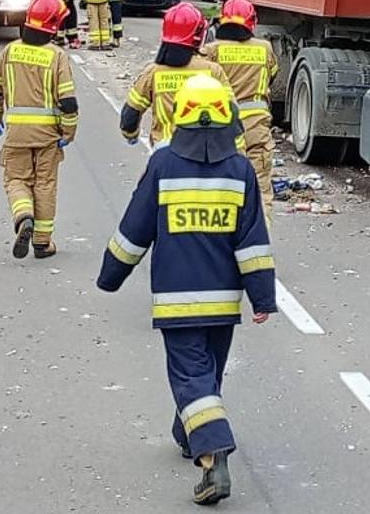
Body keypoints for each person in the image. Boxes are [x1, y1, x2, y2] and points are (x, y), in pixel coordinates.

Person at [96, 72, 277, 505]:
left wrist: (110, 275)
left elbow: (135, 228)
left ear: (181, 117)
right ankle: (188, 433)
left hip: (177, 303)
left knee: (191, 376)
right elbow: (252, 241)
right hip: (223, 303)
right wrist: (263, 297)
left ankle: (214, 453)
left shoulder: (163, 165)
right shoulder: (241, 171)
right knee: (207, 373)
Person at [0, 0, 81, 259]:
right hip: (48, 136)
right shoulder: (56, 56)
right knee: (45, 184)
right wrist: (68, 133)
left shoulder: (9, 51)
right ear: (54, 25)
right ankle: (42, 242)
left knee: (16, 179)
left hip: (16, 134)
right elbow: (68, 102)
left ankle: (23, 215)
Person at [200, 0, 279, 200]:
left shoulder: (211, 50)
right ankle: (261, 221)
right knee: (259, 190)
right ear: (252, 21)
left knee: (221, 190)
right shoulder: (265, 48)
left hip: (222, 127)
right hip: (256, 126)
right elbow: (272, 75)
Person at [122, 4, 227, 148]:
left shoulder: (153, 72)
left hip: (165, 148)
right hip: (204, 150)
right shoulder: (213, 71)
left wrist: (131, 136)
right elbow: (231, 112)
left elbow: (130, 115)